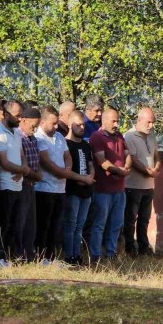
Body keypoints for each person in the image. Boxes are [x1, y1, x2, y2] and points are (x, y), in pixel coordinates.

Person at [0, 100, 30, 267]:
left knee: (13, 222)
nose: (20, 119)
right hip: (4, 185)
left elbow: (22, 155)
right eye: (17, 115)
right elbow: (4, 162)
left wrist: (23, 169)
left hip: (17, 184)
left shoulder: (17, 133)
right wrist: (23, 170)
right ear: (6, 114)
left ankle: (7, 255)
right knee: (2, 222)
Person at [89, 109, 131, 261]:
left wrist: (126, 168)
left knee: (116, 224)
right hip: (103, 189)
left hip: (119, 189)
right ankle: (96, 254)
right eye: (113, 121)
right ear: (104, 120)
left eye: (117, 121)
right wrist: (120, 171)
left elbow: (127, 155)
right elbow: (102, 162)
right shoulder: (97, 137)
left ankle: (111, 253)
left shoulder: (119, 136)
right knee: (100, 224)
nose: (116, 124)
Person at [34, 106, 71, 262]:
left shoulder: (60, 136)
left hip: (60, 188)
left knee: (56, 225)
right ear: (42, 122)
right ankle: (41, 256)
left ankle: (51, 256)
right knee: (44, 224)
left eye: (57, 123)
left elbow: (67, 156)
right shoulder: (38, 137)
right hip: (44, 188)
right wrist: (63, 173)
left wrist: (67, 170)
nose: (56, 127)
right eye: (53, 123)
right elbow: (45, 161)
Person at [123, 107, 161, 256]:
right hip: (133, 185)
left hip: (149, 185)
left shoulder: (151, 136)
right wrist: (148, 171)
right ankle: (129, 247)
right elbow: (132, 159)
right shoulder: (129, 136)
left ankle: (143, 247)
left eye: (153, 122)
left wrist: (156, 168)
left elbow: (156, 155)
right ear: (139, 120)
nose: (151, 126)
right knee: (130, 219)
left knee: (145, 219)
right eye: (148, 122)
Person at [62, 110, 95, 265]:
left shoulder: (86, 145)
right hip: (72, 190)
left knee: (80, 225)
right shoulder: (65, 144)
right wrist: (82, 178)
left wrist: (90, 177)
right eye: (78, 125)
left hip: (86, 191)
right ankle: (69, 255)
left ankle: (77, 254)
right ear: (70, 124)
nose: (82, 128)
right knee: (71, 223)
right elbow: (66, 169)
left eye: (83, 125)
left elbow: (90, 164)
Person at [17, 107, 42, 260]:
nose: (35, 129)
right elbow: (22, 164)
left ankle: (29, 252)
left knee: (30, 222)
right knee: (20, 221)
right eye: (33, 126)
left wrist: (37, 174)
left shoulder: (33, 139)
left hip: (32, 185)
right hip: (22, 184)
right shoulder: (18, 137)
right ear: (24, 120)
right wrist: (36, 175)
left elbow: (37, 160)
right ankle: (18, 253)